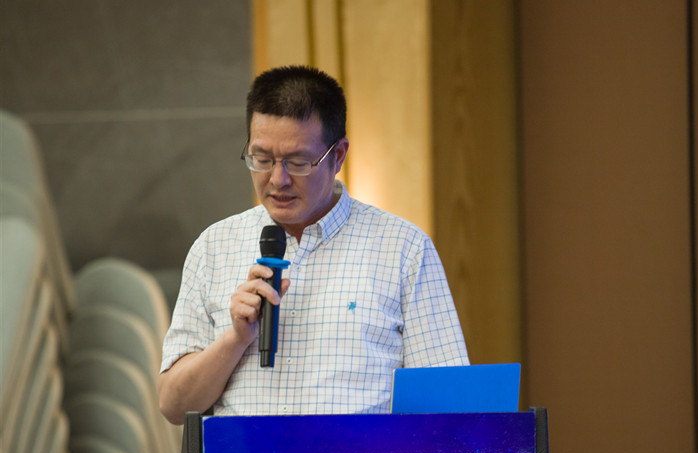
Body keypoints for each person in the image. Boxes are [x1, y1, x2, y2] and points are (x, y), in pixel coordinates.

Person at [158, 65, 469, 425]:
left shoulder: (403, 249)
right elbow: (174, 405)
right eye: (262, 159)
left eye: (299, 162)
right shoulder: (214, 247)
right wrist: (236, 339)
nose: (278, 179)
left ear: (338, 156)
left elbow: (450, 407)